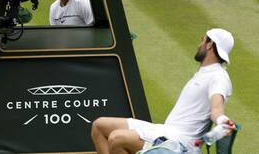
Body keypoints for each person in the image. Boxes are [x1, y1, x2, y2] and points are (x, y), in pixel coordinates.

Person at [91, 28, 235, 154]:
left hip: (182, 142)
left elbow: (217, 110)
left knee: (117, 139)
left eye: (203, 40)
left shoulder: (218, 77)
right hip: (166, 130)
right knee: (99, 126)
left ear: (210, 44)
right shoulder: (205, 72)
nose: (200, 45)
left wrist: (223, 121)